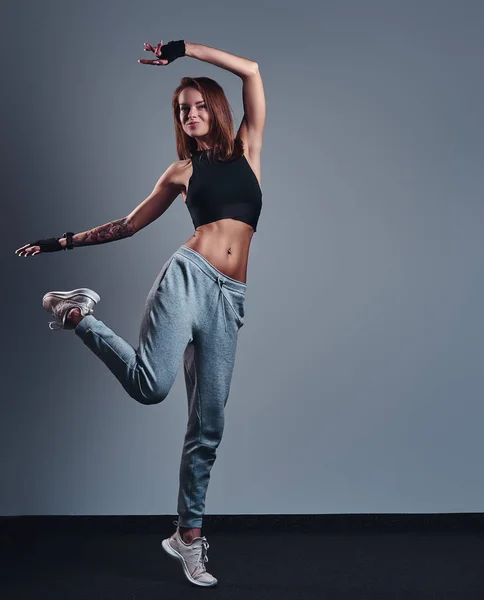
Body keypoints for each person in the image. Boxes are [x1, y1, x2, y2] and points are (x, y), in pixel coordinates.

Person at [15, 39, 266, 587]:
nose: (191, 115)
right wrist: (60, 243)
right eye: (183, 110)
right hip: (188, 277)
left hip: (231, 298)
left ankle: (188, 537)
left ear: (217, 109)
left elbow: (249, 68)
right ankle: (80, 314)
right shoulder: (180, 172)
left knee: (209, 425)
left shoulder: (249, 148)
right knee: (151, 387)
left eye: (199, 106)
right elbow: (126, 226)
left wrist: (183, 51)